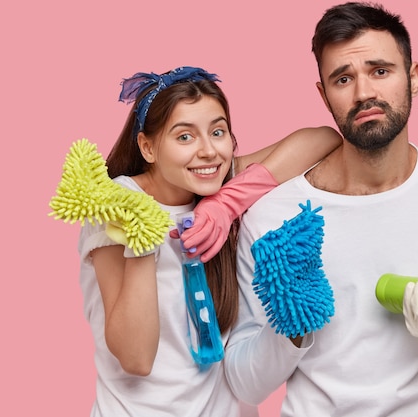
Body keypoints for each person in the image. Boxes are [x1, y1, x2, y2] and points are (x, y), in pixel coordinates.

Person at [224, 3, 418, 416]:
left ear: (413, 77)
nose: (364, 92)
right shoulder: (274, 219)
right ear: (323, 94)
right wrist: (291, 325)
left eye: (380, 71)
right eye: (343, 78)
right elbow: (244, 384)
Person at [77, 65, 341, 417]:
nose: (208, 151)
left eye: (218, 132)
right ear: (148, 147)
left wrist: (226, 203)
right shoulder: (114, 205)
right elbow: (136, 358)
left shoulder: (212, 182)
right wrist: (143, 237)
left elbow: (324, 138)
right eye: (184, 137)